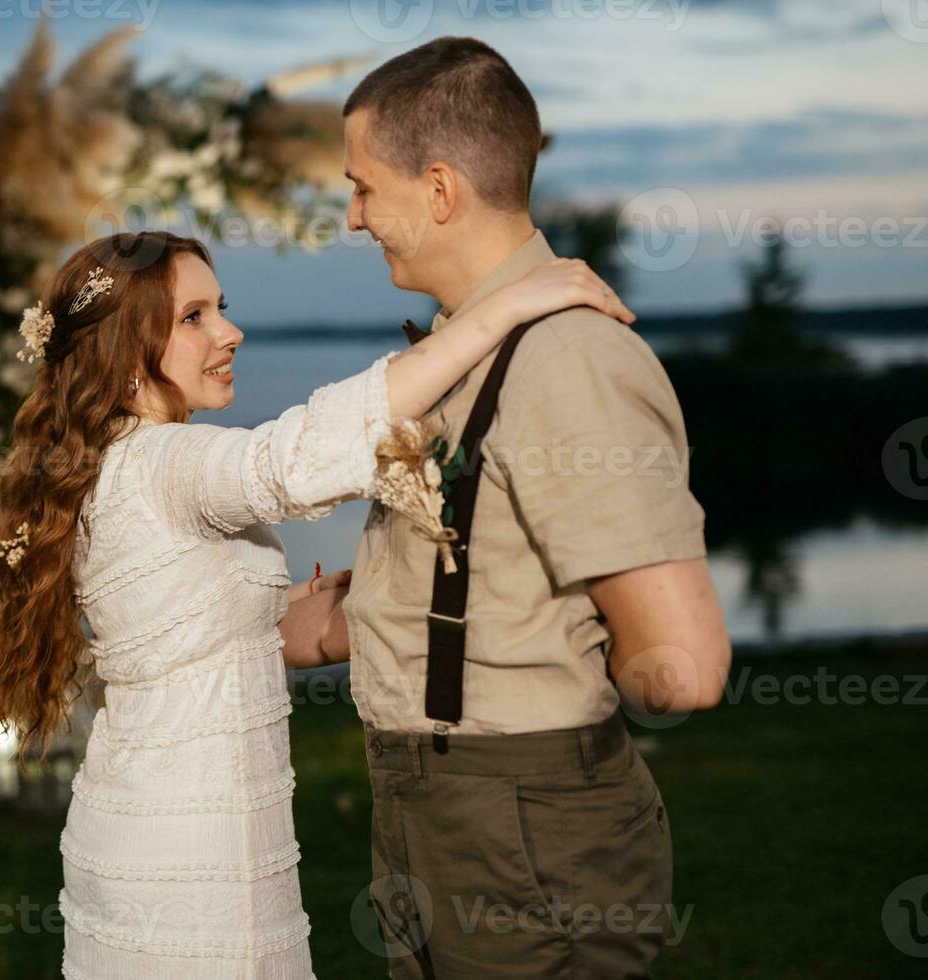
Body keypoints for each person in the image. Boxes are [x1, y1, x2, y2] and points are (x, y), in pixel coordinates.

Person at [0, 229, 634, 978]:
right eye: (194, 317)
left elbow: (225, 633)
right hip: (194, 854)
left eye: (220, 307)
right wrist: (505, 308)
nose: (231, 331)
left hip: (152, 825)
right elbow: (287, 462)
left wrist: (418, 588)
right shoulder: (166, 463)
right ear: (127, 350)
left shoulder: (113, 460)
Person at [299, 36, 733, 977]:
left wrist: (555, 741)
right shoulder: (472, 350)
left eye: (366, 187)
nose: (353, 215)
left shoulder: (567, 361)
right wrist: (353, 620)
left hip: (520, 828)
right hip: (445, 814)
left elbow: (683, 669)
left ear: (441, 191)